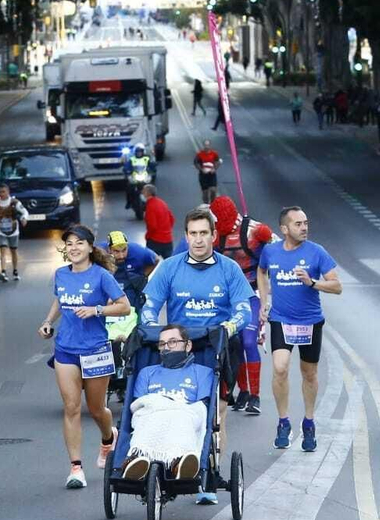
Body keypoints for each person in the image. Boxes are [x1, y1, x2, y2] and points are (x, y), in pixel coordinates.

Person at [140, 207, 254, 504]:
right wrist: (150, 326)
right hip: (179, 349)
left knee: (216, 414)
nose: (199, 240)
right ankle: (167, 461)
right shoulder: (170, 267)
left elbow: (244, 308)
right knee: (175, 407)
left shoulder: (229, 268)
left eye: (204, 233)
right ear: (186, 236)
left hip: (218, 346)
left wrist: (230, 326)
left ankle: (207, 472)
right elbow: (150, 304)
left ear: (214, 236)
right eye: (193, 234)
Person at [38, 225, 130, 490]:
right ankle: (76, 468)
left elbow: (124, 306)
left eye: (79, 243)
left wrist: (97, 310)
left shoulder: (101, 276)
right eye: (69, 243)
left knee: (97, 408)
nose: (74, 248)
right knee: (71, 407)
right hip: (66, 349)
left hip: (96, 349)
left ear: (90, 247)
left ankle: (107, 438)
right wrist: (47, 321)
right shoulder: (61, 274)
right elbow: (59, 300)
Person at [256, 207, 341, 451]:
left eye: (306, 223)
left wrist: (312, 282)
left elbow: (337, 286)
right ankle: (283, 421)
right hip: (281, 319)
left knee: (309, 374)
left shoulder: (317, 252)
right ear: (284, 229)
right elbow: (261, 272)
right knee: (280, 368)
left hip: (310, 321)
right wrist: (264, 302)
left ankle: (309, 422)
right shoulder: (270, 251)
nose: (304, 228)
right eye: (298, 224)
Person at [119, 324, 215, 483]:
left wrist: (173, 407)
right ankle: (138, 458)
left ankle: (179, 461)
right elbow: (139, 406)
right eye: (162, 344)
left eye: (172, 342)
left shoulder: (203, 372)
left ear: (188, 345)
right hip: (152, 414)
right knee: (144, 417)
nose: (166, 348)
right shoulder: (147, 372)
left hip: (185, 413)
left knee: (185, 417)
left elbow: (201, 407)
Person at [213, 195, 276, 414]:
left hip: (253, 292)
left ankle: (256, 396)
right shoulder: (214, 236)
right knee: (235, 343)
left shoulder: (255, 230)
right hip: (228, 296)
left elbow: (278, 250)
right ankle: (243, 391)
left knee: (249, 341)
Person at [0, 183, 28, 281]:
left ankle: (15, 271)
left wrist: (24, 218)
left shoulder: (15, 203)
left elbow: (24, 211)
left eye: (3, 192)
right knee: (3, 251)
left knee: (13, 251)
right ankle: (3, 271)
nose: (2, 194)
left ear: (8, 192)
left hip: (13, 231)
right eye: (0, 192)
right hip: (0, 231)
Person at [141, 185, 175, 258]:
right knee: (170, 265)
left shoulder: (150, 206)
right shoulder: (162, 203)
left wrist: (148, 236)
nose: (142, 193)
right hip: (168, 239)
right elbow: (172, 219)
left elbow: (152, 225)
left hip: (155, 240)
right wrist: (166, 230)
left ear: (147, 193)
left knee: (150, 263)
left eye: (143, 191)